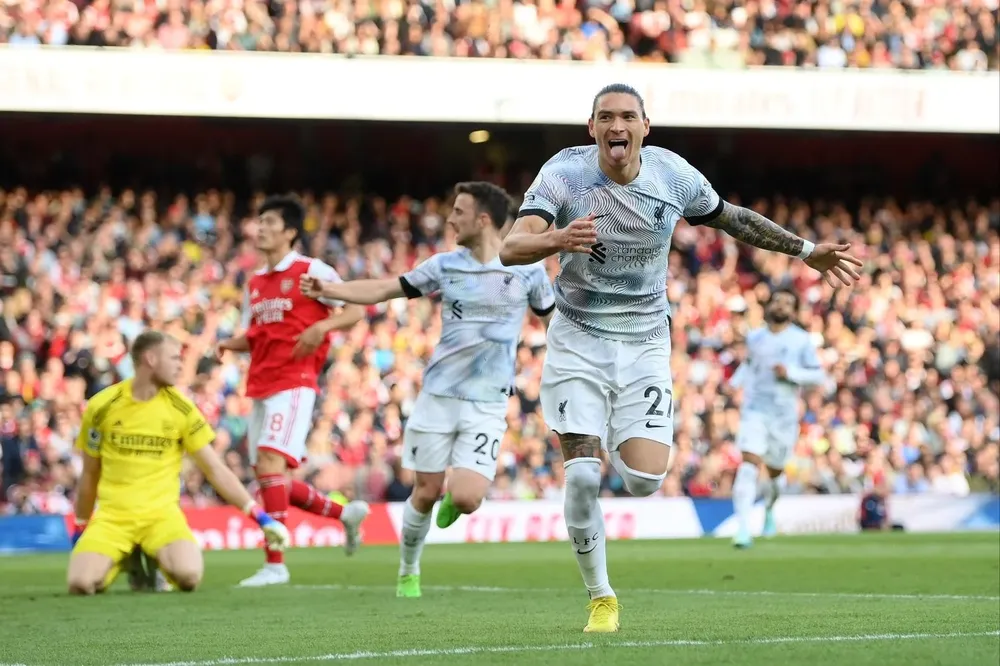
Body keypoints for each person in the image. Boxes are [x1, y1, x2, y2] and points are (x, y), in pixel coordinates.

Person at [499, 83, 864, 633]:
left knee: (646, 479)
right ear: (591, 128)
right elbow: (510, 247)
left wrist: (807, 251)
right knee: (579, 477)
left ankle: (619, 439)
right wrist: (557, 240)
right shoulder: (564, 173)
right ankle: (601, 597)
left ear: (646, 126)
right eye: (606, 118)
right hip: (576, 337)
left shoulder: (673, 176)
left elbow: (734, 218)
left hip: (645, 341)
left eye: (627, 117)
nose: (616, 126)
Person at [300, 181, 555, 598]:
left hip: (489, 401)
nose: (451, 218)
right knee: (426, 491)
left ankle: (457, 499)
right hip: (438, 397)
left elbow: (553, 324)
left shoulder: (529, 271)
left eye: (459, 211)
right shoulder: (445, 265)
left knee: (469, 498)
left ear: (483, 219)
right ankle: (408, 569)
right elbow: (383, 289)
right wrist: (330, 290)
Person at [215, 195, 370, 587]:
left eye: (269, 221)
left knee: (269, 465)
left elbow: (354, 309)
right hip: (261, 384)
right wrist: (226, 346)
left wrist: (321, 328)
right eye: (259, 221)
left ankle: (276, 564)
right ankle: (345, 516)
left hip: (296, 382)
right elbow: (257, 336)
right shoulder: (254, 283)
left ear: (289, 231)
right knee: (273, 480)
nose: (260, 227)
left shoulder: (311, 270)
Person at [67, 330, 291, 596]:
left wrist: (260, 517)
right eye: (174, 358)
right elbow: (90, 473)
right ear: (150, 359)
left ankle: (152, 560)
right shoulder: (102, 406)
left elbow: (215, 470)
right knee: (81, 584)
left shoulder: (181, 409)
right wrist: (81, 525)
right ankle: (130, 560)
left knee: (189, 576)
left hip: (161, 517)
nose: (180, 365)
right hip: (113, 518)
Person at [729, 288, 826, 548]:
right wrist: (734, 382)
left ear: (793, 312)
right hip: (755, 410)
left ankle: (769, 512)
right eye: (778, 300)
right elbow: (749, 365)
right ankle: (742, 529)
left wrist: (791, 372)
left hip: (783, 417)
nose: (782, 305)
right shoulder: (755, 337)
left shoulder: (802, 340)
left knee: (774, 473)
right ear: (769, 305)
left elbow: (818, 376)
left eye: (788, 302)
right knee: (749, 465)